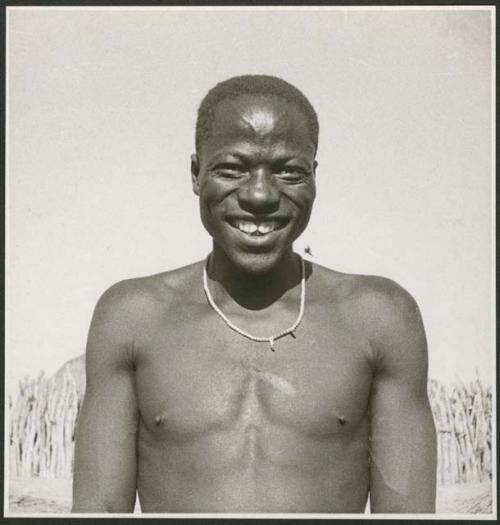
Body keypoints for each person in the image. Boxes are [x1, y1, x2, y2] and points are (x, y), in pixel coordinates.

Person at [72, 75, 437, 514]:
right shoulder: (132, 318)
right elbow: (97, 514)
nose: (260, 195)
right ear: (195, 174)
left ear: (314, 177)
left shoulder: (380, 318)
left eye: (289, 171)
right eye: (232, 168)